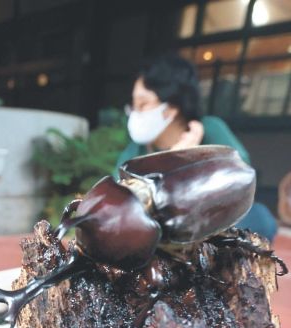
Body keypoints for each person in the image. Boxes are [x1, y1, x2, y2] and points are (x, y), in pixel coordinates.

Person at [117, 52, 278, 242]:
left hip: (210, 220)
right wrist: (173, 160)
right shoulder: (136, 149)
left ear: (171, 105)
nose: (135, 113)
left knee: (260, 218)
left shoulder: (210, 129)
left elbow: (240, 177)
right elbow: (122, 200)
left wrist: (196, 161)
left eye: (142, 104)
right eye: (133, 105)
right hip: (158, 229)